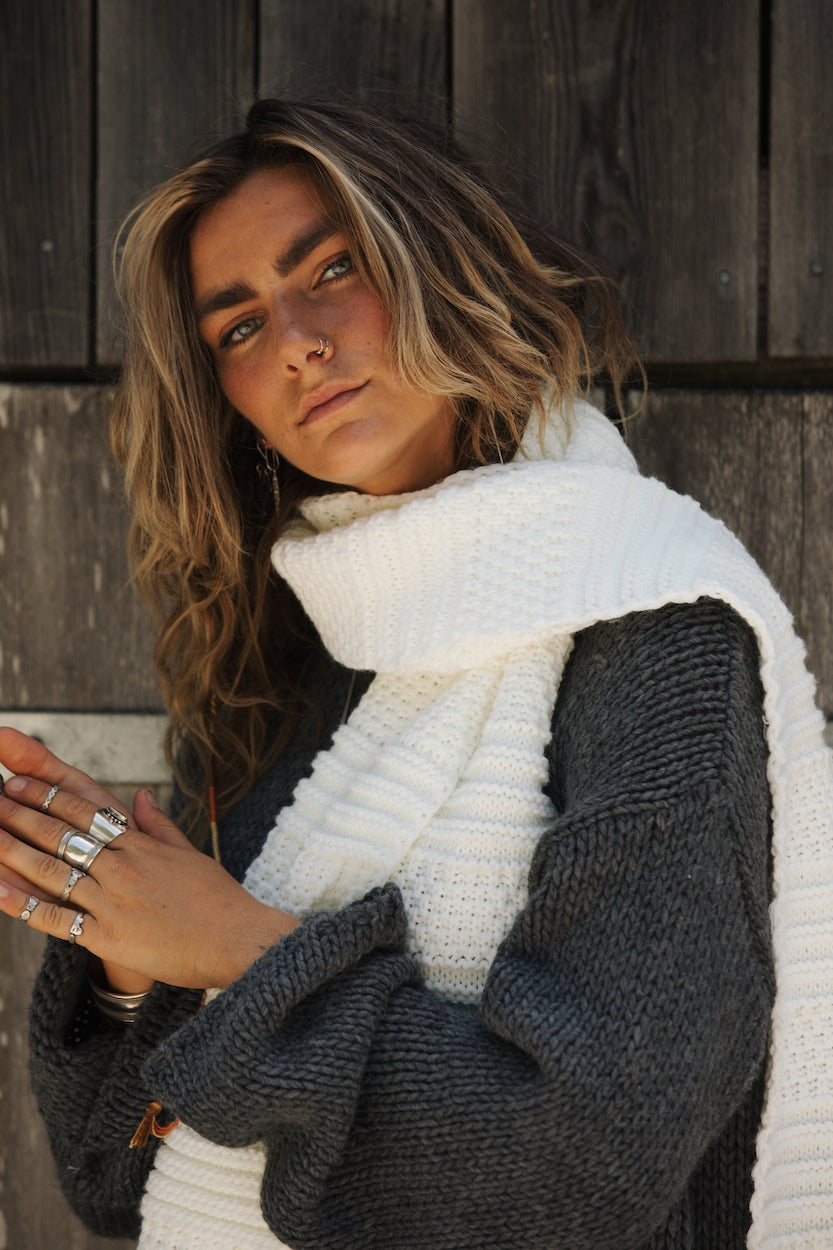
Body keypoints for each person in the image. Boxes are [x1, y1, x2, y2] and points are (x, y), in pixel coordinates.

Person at [0, 97, 831, 1250]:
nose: (295, 340)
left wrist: (238, 949)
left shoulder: (650, 618)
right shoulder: (278, 661)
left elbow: (593, 1157)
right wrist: (129, 952)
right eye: (237, 326)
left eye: (331, 269)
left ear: (438, 261)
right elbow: (111, 1175)